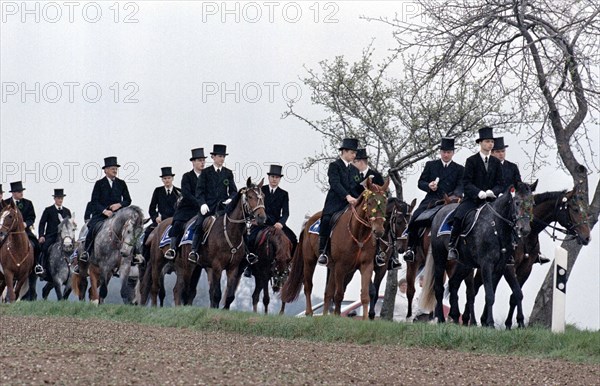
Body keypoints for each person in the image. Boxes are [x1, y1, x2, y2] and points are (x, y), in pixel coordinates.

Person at [447, 127, 504, 262]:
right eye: (487, 141)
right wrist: (478, 193)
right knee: (459, 216)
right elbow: (466, 183)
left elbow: (500, 183)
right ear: (481, 143)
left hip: (491, 200)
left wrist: (493, 192)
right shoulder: (471, 160)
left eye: (492, 142)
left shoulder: (496, 162)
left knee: (507, 216)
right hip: (473, 200)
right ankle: (452, 246)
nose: (490, 144)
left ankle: (509, 248)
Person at [404, 137, 464, 262]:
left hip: (451, 200)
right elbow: (421, 182)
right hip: (432, 199)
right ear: (440, 152)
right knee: (415, 217)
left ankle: (458, 248)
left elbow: (460, 186)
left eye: (448, 152)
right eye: (444, 152)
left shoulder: (459, 169)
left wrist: (454, 196)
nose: (446, 155)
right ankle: (410, 248)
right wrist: (429, 186)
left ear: (453, 153)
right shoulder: (431, 165)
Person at [244, 164, 298, 277]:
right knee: (250, 238)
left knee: (293, 238)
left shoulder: (284, 194)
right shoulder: (261, 190)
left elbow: (286, 212)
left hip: (277, 224)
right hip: (261, 223)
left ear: (279, 179)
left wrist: (281, 223)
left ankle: (289, 265)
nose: (274, 179)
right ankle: (249, 265)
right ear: (268, 178)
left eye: (277, 177)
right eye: (272, 177)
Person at [189, 144, 238, 263]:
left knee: (238, 226)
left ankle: (245, 253)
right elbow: (199, 192)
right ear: (213, 157)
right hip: (208, 207)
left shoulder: (228, 173)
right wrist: (202, 204)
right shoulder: (205, 173)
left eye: (223, 157)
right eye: (220, 156)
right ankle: (194, 251)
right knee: (199, 224)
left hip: (223, 208)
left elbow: (233, 191)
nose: (222, 159)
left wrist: (231, 199)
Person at [317, 138, 361, 266]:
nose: (354, 156)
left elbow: (356, 186)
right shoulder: (334, 166)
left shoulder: (355, 170)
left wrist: (361, 197)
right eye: (352, 153)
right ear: (344, 152)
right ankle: (323, 251)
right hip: (335, 202)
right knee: (326, 220)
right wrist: (347, 196)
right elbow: (335, 183)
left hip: (351, 203)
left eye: (355, 153)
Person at [79, 156, 132, 263]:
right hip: (101, 215)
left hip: (118, 215)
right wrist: (104, 211)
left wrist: (119, 204)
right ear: (105, 170)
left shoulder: (121, 183)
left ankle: (135, 255)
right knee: (92, 228)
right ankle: (86, 252)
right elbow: (94, 201)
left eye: (116, 168)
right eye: (112, 168)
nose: (115, 170)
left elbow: (128, 200)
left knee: (130, 229)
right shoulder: (99, 183)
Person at [164, 148, 206, 259]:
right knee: (178, 223)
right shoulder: (187, 176)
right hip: (188, 207)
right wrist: (200, 204)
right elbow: (186, 194)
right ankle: (172, 248)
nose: (202, 162)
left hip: (205, 208)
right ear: (193, 162)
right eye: (199, 160)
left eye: (203, 160)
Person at [352, 148, 390, 267]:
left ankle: (382, 253)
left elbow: (382, 194)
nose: (352, 165)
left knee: (386, 223)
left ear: (360, 162)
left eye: (354, 162)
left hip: (373, 209)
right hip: (354, 205)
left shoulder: (376, 176)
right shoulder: (352, 175)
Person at [144, 167, 181, 260]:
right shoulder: (158, 191)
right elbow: (151, 208)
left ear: (172, 179)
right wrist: (155, 217)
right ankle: (144, 258)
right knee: (147, 234)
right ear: (162, 180)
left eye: (168, 178)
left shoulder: (179, 192)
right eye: (165, 179)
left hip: (175, 221)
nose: (167, 180)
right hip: (161, 221)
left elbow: (182, 209)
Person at [3, 181, 40, 269]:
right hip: (8, 232)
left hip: (24, 231)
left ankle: (36, 265)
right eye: (19, 192)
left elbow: (32, 217)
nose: (21, 193)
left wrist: (26, 223)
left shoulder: (28, 203)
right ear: (13, 193)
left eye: (22, 191)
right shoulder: (5, 203)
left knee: (35, 244)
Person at [37, 189, 72, 276]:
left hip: (64, 237)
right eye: (59, 198)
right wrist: (41, 235)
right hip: (51, 236)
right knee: (44, 248)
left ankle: (72, 268)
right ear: (55, 199)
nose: (60, 200)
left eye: (61, 198)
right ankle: (41, 267)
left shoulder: (67, 211)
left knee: (71, 248)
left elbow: (69, 226)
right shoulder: (48, 210)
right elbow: (42, 224)